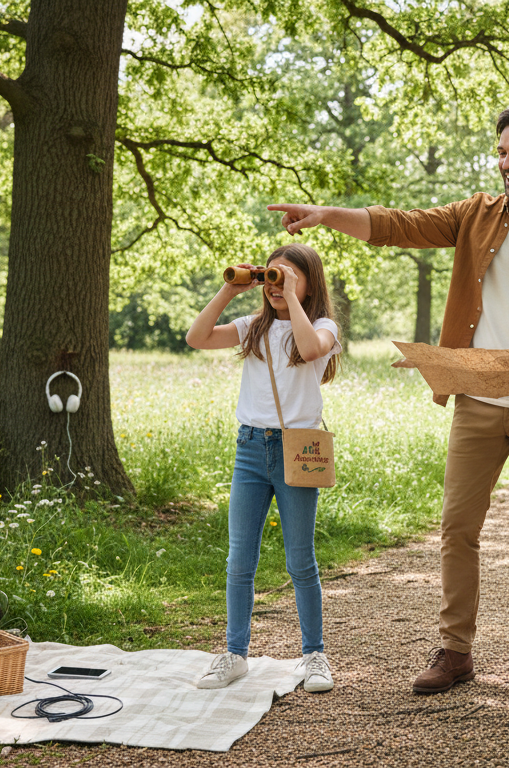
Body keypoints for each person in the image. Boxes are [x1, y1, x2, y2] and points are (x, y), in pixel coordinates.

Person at [268, 104, 509, 697]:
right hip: (477, 399)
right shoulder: (475, 215)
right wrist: (327, 215)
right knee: (457, 528)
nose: (507, 163)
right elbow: (399, 225)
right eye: (503, 151)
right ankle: (456, 651)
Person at [184, 243, 342, 694]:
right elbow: (197, 337)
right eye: (271, 276)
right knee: (240, 559)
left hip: (298, 449)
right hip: (251, 448)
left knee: (300, 560)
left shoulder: (322, 327)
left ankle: (314, 655)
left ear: (309, 282)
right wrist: (229, 290)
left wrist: (290, 296)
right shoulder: (252, 326)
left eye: (289, 276)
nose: (276, 284)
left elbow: (312, 350)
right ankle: (234, 654)